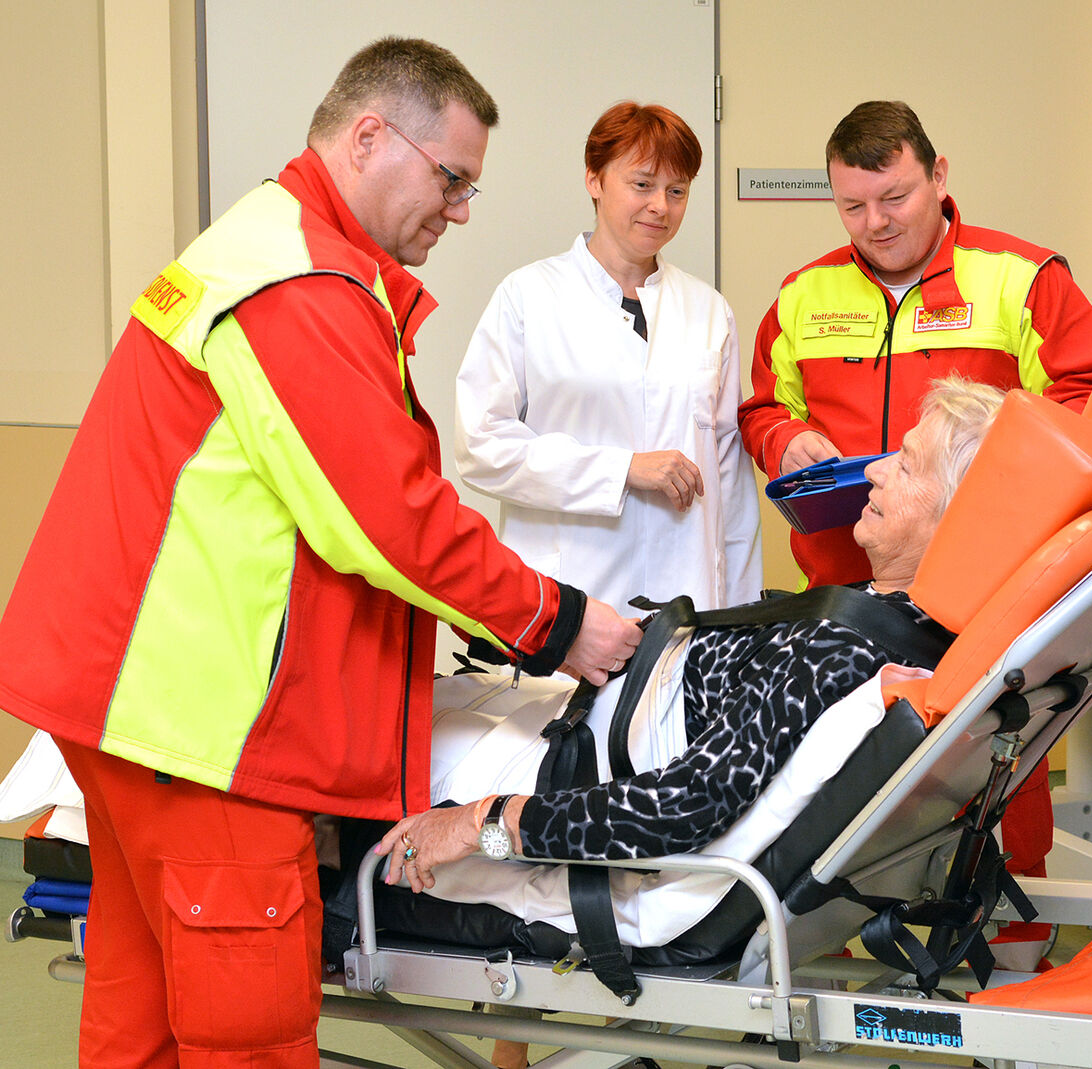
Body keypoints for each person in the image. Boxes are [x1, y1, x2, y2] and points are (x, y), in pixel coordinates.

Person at [0, 38, 643, 1068]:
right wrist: (558, 623)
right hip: (207, 735)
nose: (461, 209)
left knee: (144, 1024)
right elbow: (387, 513)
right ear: (369, 137)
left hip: (131, 710)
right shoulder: (301, 287)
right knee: (244, 1034)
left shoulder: (259, 246)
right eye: (453, 180)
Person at [378, 375, 1002, 886]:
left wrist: (478, 825)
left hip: (587, 758)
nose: (875, 472)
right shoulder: (887, 614)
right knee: (401, 700)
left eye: (909, 467)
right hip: (602, 705)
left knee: (370, 739)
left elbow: (682, 806)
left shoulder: (845, 647)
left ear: (959, 521)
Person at [738, 99, 1092, 590]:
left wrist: (984, 468)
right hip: (840, 587)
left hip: (982, 588)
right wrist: (784, 441)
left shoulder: (1023, 279)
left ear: (938, 176)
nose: (875, 222)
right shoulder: (802, 293)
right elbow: (764, 410)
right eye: (853, 207)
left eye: (894, 198)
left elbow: (1087, 409)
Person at [455, 101, 762, 614]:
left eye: (677, 190)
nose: (660, 206)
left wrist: (740, 620)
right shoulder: (528, 296)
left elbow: (730, 483)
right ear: (594, 179)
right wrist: (619, 470)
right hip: (571, 595)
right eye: (642, 184)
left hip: (686, 602)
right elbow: (482, 447)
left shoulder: (709, 311)